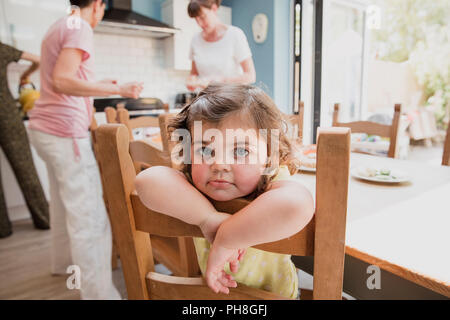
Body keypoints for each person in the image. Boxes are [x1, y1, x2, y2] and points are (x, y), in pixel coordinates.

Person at [135, 84, 314, 298]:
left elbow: (298, 204)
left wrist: (227, 237)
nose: (219, 164)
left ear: (269, 156)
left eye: (240, 151)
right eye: (204, 150)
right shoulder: (191, 186)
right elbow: (146, 181)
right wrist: (208, 219)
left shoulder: (270, 181)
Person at [27, 0, 143, 299]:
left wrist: (99, 83)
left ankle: (63, 264)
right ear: (97, 5)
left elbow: (64, 79)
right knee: (89, 218)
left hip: (46, 129)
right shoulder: (79, 26)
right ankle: (98, 294)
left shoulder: (60, 25)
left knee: (66, 205)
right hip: (64, 133)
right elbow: (63, 81)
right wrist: (117, 89)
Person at [0, 42, 49, 238]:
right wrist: (25, 76)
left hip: (8, 114)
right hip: (7, 114)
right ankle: (44, 219)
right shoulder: (1, 49)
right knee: (25, 168)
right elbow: (40, 60)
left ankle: (2, 228)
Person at [186, 0, 256, 91]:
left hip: (231, 99)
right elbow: (193, 74)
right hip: (206, 101)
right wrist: (191, 81)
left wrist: (220, 81)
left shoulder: (235, 34)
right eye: (196, 19)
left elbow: (250, 76)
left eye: (202, 17)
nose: (199, 23)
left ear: (214, 9)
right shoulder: (195, 40)